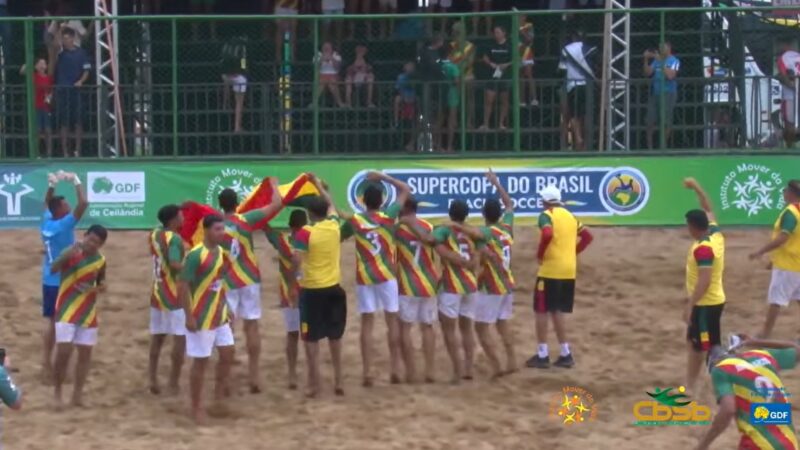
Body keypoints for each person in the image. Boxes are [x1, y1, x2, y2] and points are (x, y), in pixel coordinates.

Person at [340, 171, 411, 386]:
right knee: (392, 322)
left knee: (367, 325)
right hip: (387, 275)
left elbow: (339, 237)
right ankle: (396, 368)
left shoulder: (356, 221)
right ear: (381, 202)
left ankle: (368, 372)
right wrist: (383, 177)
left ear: (363, 202)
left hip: (365, 277)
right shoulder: (389, 217)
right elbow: (405, 190)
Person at [448, 170, 517, 378]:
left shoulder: (488, 233)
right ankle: (512, 360)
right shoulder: (506, 228)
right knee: (502, 323)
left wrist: (454, 224)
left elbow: (476, 233)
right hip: (508, 283)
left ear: (484, 215)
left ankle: (497, 366)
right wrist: (497, 184)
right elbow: (510, 205)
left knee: (480, 327)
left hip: (492, 285)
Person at [217, 179, 282, 393]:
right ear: (237, 204)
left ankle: (225, 379)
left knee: (227, 329)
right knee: (252, 326)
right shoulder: (246, 219)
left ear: (220, 205)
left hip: (227, 280)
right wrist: (274, 185)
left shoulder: (214, 227)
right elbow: (276, 205)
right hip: (249, 279)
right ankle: (254, 376)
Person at [292, 176, 348, 398]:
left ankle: (314, 384)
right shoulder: (333, 225)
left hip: (312, 289)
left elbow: (296, 259)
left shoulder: (305, 232)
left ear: (310, 214)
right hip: (333, 287)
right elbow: (332, 204)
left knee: (310, 339)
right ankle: (339, 380)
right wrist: (320, 186)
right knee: (335, 337)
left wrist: (296, 274)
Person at [528, 185, 593, 369]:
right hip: (568, 270)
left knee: (541, 310)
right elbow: (587, 236)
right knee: (557, 310)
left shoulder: (546, 215)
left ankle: (542, 354)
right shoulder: (570, 216)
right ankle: (565, 352)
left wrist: (540, 253)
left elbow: (547, 233)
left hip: (550, 270)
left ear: (545, 201)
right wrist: (573, 253)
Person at [697, 337, 799, 450]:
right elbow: (796, 349)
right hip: (790, 443)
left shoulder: (721, 369)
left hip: (757, 445)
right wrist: (754, 342)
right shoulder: (762, 356)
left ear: (713, 363)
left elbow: (728, 410)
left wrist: (703, 445)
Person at [179, 215, 234, 424]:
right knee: (200, 363)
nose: (222, 233)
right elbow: (183, 286)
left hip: (219, 315)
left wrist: (226, 306)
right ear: (207, 231)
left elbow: (218, 283)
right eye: (218, 229)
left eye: (223, 229)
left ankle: (218, 397)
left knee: (228, 354)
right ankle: (196, 408)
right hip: (200, 316)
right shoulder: (195, 255)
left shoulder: (221, 253)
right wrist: (189, 315)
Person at [52, 225, 109, 409]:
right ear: (84, 236)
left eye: (97, 243)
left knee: (85, 355)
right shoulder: (72, 251)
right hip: (66, 308)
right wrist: (68, 254)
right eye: (90, 239)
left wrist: (94, 289)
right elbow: (53, 268)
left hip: (87, 311)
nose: (92, 244)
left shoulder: (100, 260)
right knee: (64, 353)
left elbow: (102, 283)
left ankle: (77, 395)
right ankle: (58, 393)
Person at [41, 171, 88, 381]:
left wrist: (52, 184)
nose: (69, 205)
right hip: (65, 278)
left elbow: (46, 203)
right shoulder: (64, 224)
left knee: (52, 322)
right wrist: (76, 180)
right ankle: (61, 366)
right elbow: (84, 203)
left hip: (48, 278)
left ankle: (46, 363)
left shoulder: (47, 221)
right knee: (67, 321)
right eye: (65, 204)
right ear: (60, 211)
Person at [682, 178, 725, 396]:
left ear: (692, 227)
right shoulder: (715, 234)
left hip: (705, 305)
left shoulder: (704, 249)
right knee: (701, 343)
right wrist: (697, 187)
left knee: (703, 346)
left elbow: (705, 279)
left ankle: (697, 387)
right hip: (712, 301)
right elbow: (708, 208)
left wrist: (691, 304)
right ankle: (694, 384)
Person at [264, 209, 309, 390]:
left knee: (292, 335)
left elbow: (267, 231)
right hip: (309, 291)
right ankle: (312, 374)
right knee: (309, 335)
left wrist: (262, 212)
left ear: (290, 226)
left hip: (289, 293)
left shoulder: (283, 241)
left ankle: (292, 374)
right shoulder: (311, 239)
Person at [750, 180, 800, 339]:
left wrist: (761, 251)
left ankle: (765, 333)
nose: (783, 193)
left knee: (776, 300)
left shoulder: (791, 213)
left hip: (788, 265)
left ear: (791, 193)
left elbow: (783, 238)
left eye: (785, 190)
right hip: (796, 262)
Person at [395, 198, 439, 383]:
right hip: (428, 282)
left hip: (407, 283)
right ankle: (429, 371)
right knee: (427, 327)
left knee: (405, 328)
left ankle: (411, 372)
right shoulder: (428, 226)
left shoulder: (397, 230)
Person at [147, 204, 187, 396]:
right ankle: (173, 382)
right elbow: (174, 263)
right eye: (181, 215)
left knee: (158, 337)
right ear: (173, 220)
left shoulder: (154, 234)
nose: (183, 218)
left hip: (157, 289)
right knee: (180, 338)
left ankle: (152, 378)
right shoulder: (175, 239)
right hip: (174, 293)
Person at [54, 27, 91, 157]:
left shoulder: (81, 53)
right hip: (63, 90)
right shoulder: (60, 53)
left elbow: (86, 70)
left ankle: (77, 150)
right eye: (63, 39)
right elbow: (54, 43)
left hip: (76, 90)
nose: (65, 41)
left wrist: (81, 81)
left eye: (67, 38)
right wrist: (60, 27)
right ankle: (65, 151)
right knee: (63, 122)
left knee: (78, 121)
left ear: (72, 38)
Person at [558, 31, 596, 151]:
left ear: (572, 37)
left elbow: (562, 68)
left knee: (574, 114)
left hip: (572, 85)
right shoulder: (589, 49)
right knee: (585, 114)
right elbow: (595, 65)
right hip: (587, 85)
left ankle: (578, 138)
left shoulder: (566, 49)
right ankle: (586, 140)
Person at [20, 48, 56, 157]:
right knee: (38, 130)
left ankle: (49, 152)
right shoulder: (34, 76)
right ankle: (36, 152)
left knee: (48, 130)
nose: (42, 65)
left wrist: (50, 97)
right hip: (36, 106)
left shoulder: (49, 78)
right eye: (40, 63)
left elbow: (51, 90)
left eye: (44, 63)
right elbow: (22, 71)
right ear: (36, 66)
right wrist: (30, 61)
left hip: (46, 106)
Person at [644, 41, 680, 149]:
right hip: (656, 93)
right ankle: (650, 148)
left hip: (669, 93)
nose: (660, 49)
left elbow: (670, 76)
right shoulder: (656, 60)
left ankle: (663, 146)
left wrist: (662, 63)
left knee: (666, 121)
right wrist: (646, 59)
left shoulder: (674, 61)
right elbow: (648, 73)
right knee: (650, 120)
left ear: (669, 48)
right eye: (659, 47)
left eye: (663, 47)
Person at [479, 26, 513, 131]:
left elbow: (516, 58)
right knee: (489, 100)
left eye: (498, 32)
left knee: (504, 100)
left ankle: (501, 124)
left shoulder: (509, 45)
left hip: (505, 75)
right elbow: (484, 57)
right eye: (494, 32)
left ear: (504, 33)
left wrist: (506, 65)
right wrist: (490, 63)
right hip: (492, 75)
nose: (496, 35)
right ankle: (486, 124)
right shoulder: (490, 44)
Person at [449, 22, 476, 128]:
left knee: (469, 100)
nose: (455, 34)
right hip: (455, 78)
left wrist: (457, 66)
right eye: (454, 32)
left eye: (457, 32)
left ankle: (469, 122)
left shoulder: (470, 46)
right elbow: (449, 61)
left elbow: (469, 62)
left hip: (467, 76)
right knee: (455, 101)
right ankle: (454, 122)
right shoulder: (452, 45)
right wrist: (457, 68)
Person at [220, 36, 248, 133]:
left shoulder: (226, 45)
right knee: (239, 102)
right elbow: (243, 61)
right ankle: (237, 126)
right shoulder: (242, 46)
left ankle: (225, 104)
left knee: (226, 83)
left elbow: (222, 61)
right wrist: (244, 71)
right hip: (238, 75)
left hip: (226, 74)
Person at [776, 38, 800, 148]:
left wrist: (793, 86)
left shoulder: (783, 58)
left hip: (789, 96)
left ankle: (789, 148)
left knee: (789, 123)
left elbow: (783, 75)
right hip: (792, 95)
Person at [315, 42, 346, 108]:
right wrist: (322, 59)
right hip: (321, 75)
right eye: (324, 47)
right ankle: (314, 103)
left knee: (331, 81)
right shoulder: (318, 55)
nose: (326, 49)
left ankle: (339, 103)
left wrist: (331, 58)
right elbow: (316, 68)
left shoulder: (336, 55)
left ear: (331, 49)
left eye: (328, 48)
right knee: (323, 81)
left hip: (334, 75)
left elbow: (338, 68)